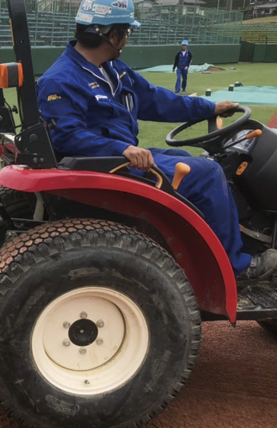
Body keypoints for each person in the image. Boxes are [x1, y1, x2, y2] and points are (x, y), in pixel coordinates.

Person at [36, 0, 277, 281]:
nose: (126, 38)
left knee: (191, 161)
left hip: (122, 156)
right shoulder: (60, 80)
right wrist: (123, 148)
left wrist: (209, 108)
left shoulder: (113, 70)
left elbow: (157, 100)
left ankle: (205, 248)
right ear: (112, 35)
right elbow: (67, 135)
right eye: (126, 32)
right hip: (108, 164)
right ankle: (236, 266)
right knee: (209, 173)